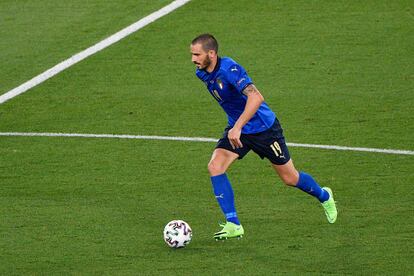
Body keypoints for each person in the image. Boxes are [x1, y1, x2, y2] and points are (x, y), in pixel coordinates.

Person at [190, 34, 337, 240]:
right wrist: (237, 126)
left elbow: (256, 97)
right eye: (192, 54)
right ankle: (234, 224)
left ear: (211, 54)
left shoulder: (229, 69)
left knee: (290, 178)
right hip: (238, 129)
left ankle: (324, 196)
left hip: (264, 129)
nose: (193, 59)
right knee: (215, 166)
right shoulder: (202, 73)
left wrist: (238, 126)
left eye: (197, 54)